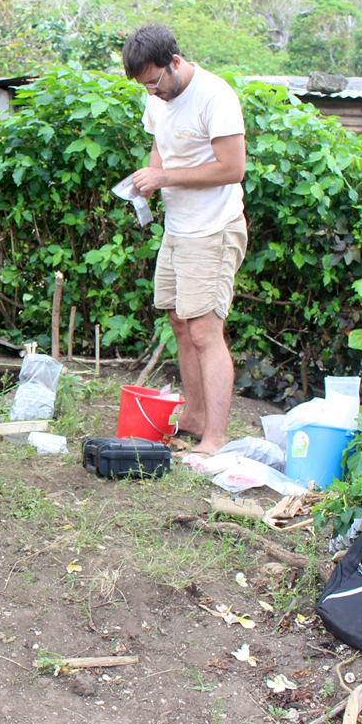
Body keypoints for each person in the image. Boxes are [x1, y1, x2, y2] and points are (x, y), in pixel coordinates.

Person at [121, 23, 246, 460]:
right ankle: (192, 417)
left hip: (214, 227)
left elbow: (233, 168)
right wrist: (149, 181)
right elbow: (161, 144)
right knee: (177, 320)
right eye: (144, 86)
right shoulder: (155, 97)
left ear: (175, 62)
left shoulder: (216, 97)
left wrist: (166, 176)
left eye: (155, 81)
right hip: (179, 227)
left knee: (205, 331)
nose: (152, 92)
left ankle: (215, 438)